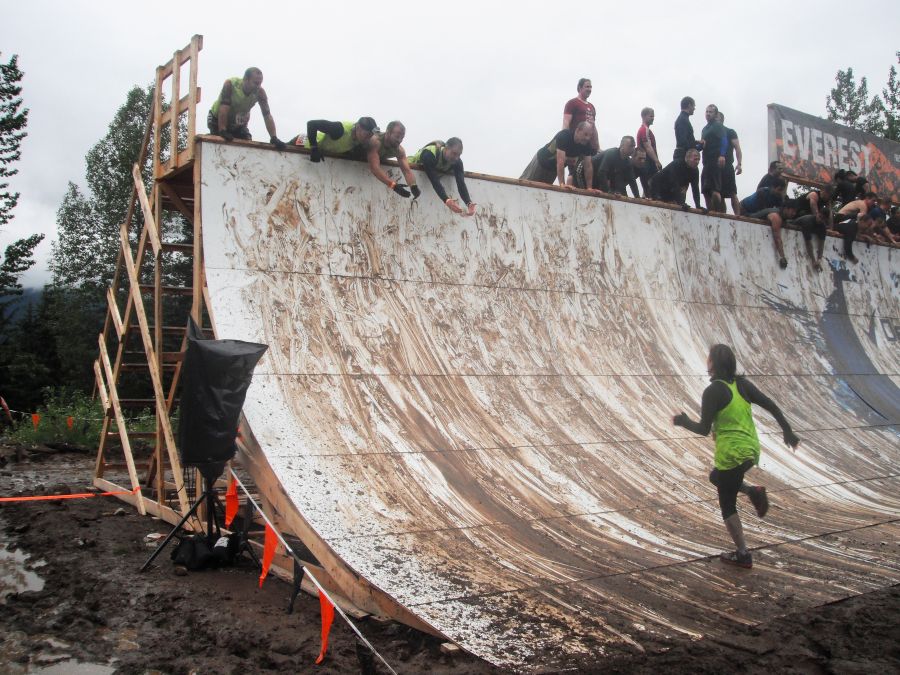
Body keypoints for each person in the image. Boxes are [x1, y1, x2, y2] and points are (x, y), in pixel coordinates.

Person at [673, 344, 799, 569]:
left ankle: (743, 554)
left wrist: (683, 422)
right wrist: (787, 431)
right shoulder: (742, 385)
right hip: (750, 450)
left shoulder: (713, 391)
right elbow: (771, 405)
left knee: (727, 504)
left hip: (731, 455)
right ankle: (752, 491)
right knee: (716, 477)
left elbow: (703, 429)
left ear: (713, 363)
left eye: (709, 358)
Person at [207, 67, 285, 149]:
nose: (258, 86)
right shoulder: (230, 84)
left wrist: (274, 137)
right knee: (221, 141)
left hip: (236, 123)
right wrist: (222, 130)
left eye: (260, 83)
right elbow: (224, 108)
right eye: (256, 83)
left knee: (247, 142)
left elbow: (267, 115)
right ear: (246, 79)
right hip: (217, 119)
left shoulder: (260, 92)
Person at [409, 138, 476, 216]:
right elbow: (434, 180)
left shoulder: (457, 162)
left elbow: (461, 183)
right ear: (446, 148)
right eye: (454, 153)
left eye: (459, 155)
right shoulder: (429, 154)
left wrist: (468, 203)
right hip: (411, 167)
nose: (456, 158)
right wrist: (446, 199)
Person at [521, 122, 597, 189]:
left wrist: (589, 188)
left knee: (543, 190)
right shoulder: (564, 136)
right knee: (525, 184)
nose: (587, 138)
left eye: (590, 135)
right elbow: (560, 161)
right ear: (577, 130)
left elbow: (588, 166)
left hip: (553, 170)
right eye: (585, 134)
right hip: (541, 162)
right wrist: (562, 184)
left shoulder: (586, 145)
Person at [741, 181, 794, 268]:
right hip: (744, 209)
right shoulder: (763, 192)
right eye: (779, 189)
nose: (780, 192)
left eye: (782, 190)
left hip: (760, 211)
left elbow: (779, 208)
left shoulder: (778, 197)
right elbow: (763, 211)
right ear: (772, 187)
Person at [363, 121, 418, 199]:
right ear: (388, 133)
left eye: (402, 138)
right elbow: (374, 168)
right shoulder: (376, 141)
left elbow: (406, 171)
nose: (399, 140)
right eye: (397, 137)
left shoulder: (400, 150)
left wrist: (413, 186)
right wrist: (394, 186)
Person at [575, 136, 641, 197]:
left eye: (634, 146)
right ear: (622, 146)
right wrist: (608, 192)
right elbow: (602, 172)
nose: (633, 149)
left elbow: (632, 181)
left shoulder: (627, 162)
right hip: (582, 171)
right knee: (587, 195)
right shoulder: (612, 153)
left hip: (596, 177)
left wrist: (638, 197)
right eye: (630, 146)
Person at [791, 184, 834, 271]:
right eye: (828, 195)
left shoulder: (827, 200)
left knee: (820, 226)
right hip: (798, 213)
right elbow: (815, 212)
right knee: (811, 219)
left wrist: (831, 229)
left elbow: (829, 214)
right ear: (824, 192)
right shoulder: (814, 195)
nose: (828, 198)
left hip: (812, 217)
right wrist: (813, 260)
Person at [298, 117, 379, 161]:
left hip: (322, 152)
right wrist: (314, 148)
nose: (368, 138)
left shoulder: (361, 138)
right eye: (366, 134)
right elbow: (311, 124)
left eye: (370, 135)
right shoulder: (339, 129)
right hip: (303, 143)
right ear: (358, 127)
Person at [833, 192, 878, 263]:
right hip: (841, 218)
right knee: (862, 216)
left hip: (843, 219)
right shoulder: (863, 205)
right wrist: (868, 235)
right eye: (873, 200)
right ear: (867, 198)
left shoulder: (860, 204)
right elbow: (863, 220)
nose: (873, 203)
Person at [700, 104, 728, 213]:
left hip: (715, 161)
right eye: (707, 112)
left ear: (715, 114)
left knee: (715, 191)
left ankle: (719, 212)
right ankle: (711, 211)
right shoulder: (704, 129)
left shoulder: (717, 126)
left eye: (710, 112)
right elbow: (703, 145)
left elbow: (724, 140)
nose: (708, 114)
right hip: (706, 162)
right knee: (705, 190)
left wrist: (722, 155)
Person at [716, 111, 743, 215]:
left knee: (732, 192)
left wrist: (739, 164)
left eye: (717, 117)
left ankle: (738, 216)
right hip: (715, 167)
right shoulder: (710, 131)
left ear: (721, 119)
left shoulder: (730, 132)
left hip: (727, 166)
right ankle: (723, 216)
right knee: (720, 193)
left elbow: (737, 148)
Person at [562, 78, 599, 151]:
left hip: (587, 144)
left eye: (590, 87)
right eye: (587, 87)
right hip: (574, 142)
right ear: (580, 88)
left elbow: (593, 126)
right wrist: (565, 141)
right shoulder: (572, 103)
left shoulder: (591, 107)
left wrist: (597, 145)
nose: (589, 89)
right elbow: (566, 123)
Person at [636, 107, 663, 195]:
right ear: (644, 116)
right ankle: (647, 198)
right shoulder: (644, 129)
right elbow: (648, 147)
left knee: (650, 184)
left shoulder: (646, 130)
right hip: (647, 161)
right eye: (651, 116)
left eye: (653, 116)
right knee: (649, 183)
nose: (653, 118)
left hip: (648, 161)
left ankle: (647, 196)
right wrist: (656, 161)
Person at [673, 96, 698, 161]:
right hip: (684, 157)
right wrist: (695, 149)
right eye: (694, 106)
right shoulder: (682, 120)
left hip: (684, 155)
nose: (694, 108)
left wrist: (697, 142)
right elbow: (683, 141)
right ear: (689, 105)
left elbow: (687, 139)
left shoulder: (683, 118)